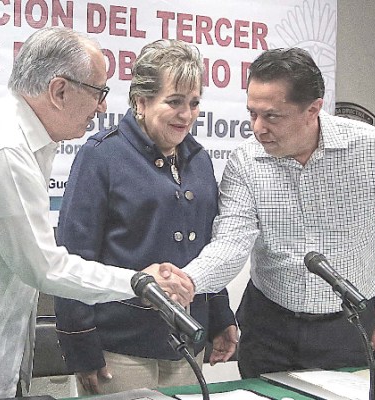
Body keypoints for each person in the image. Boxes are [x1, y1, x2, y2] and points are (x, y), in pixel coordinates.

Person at [0, 27, 193, 400]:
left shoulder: (30, 138)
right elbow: (43, 267)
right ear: (59, 91)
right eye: (99, 92)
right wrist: (137, 283)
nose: (103, 107)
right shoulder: (4, 148)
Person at [182, 47, 375, 378]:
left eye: (271, 116)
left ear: (312, 110)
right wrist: (187, 280)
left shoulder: (373, 150)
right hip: (269, 323)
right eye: (252, 113)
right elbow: (231, 242)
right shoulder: (245, 161)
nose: (258, 128)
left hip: (347, 324)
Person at [54, 39, 238, 395]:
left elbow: (209, 246)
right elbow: (73, 257)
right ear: (141, 101)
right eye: (174, 102)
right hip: (119, 346)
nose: (186, 115)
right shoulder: (101, 155)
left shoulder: (199, 160)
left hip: (187, 341)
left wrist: (220, 317)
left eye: (194, 103)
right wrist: (81, 346)